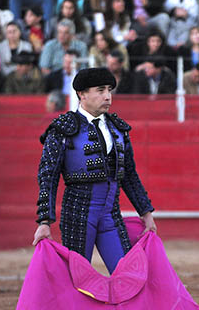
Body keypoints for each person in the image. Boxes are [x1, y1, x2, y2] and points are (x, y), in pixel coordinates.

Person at [32, 67, 156, 272]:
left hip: (110, 215)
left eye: (109, 90)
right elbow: (48, 176)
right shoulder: (62, 129)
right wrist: (45, 221)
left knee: (127, 275)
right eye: (100, 90)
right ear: (82, 94)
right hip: (78, 216)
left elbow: (129, 175)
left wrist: (146, 213)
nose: (108, 96)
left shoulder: (118, 128)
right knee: (76, 279)